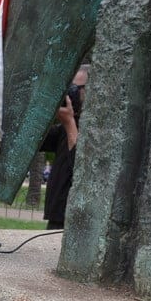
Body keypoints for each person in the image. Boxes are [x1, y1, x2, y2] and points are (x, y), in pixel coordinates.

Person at [42, 65, 89, 230]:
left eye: (76, 88)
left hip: (78, 222)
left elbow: (82, 171)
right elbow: (38, 141)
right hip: (57, 216)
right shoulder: (66, 126)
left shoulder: (99, 131)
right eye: (69, 88)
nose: (71, 93)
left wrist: (69, 123)